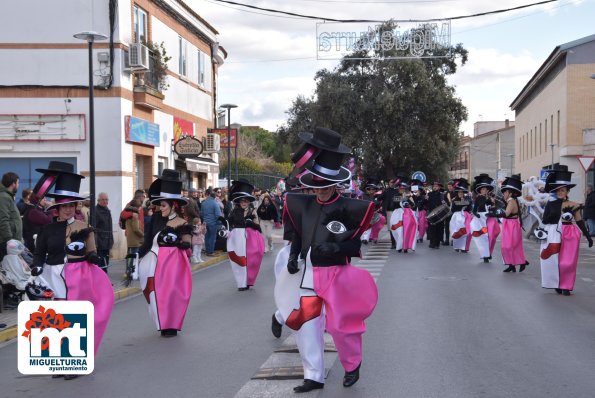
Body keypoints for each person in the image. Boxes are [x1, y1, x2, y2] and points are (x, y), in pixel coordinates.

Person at [278, 127, 377, 392]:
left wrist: (337, 249)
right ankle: (313, 376)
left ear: (335, 184)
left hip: (336, 275)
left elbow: (355, 243)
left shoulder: (349, 208)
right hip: (309, 274)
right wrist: (293, 256)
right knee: (308, 326)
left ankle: (352, 364)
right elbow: (298, 233)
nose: (319, 191)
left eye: (325, 186)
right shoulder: (304, 206)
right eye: (315, 186)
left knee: (340, 326)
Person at [30, 165, 113, 368]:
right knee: (54, 322)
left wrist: (93, 258)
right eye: (65, 205)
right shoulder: (47, 230)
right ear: (57, 208)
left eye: (72, 205)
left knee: (75, 320)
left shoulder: (84, 228)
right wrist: (37, 267)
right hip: (52, 277)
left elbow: (90, 250)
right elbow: (40, 253)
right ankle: (58, 361)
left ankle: (75, 362)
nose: (69, 209)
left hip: (79, 277)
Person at [138, 169, 192, 337]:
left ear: (173, 205)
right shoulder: (155, 219)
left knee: (171, 293)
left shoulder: (182, 222)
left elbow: (188, 241)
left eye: (163, 205)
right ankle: (162, 321)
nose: (160, 208)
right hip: (154, 263)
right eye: (159, 205)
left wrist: (182, 244)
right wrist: (138, 256)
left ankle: (172, 323)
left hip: (173, 264)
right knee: (154, 293)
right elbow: (147, 240)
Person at [538, 166, 593, 295]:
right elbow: (545, 220)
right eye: (558, 190)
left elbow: (579, 221)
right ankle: (556, 283)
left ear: (567, 191)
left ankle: (566, 286)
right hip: (553, 234)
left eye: (563, 190)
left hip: (569, 234)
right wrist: (555, 216)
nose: (560, 192)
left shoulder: (574, 205)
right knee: (552, 261)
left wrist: (588, 236)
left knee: (567, 263)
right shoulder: (550, 204)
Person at [226, 179, 265, 290]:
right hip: (238, 239)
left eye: (246, 201)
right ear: (239, 202)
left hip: (251, 239)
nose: (244, 203)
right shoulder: (234, 211)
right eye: (242, 201)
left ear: (249, 202)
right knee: (239, 261)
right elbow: (229, 224)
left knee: (252, 260)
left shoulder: (252, 211)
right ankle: (241, 282)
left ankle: (249, 280)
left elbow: (258, 226)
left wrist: (251, 224)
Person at [495, 175, 529, 272]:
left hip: (512, 225)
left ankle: (521, 262)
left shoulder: (512, 201)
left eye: (505, 191)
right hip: (508, 224)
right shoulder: (511, 200)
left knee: (509, 246)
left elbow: (506, 213)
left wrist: (494, 214)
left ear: (510, 193)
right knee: (509, 246)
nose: (504, 193)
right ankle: (512, 265)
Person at [470, 174, 500, 263]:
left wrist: (493, 206)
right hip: (480, 221)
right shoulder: (478, 199)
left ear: (488, 190)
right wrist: (477, 215)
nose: (484, 190)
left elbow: (494, 210)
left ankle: (488, 253)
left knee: (491, 236)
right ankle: (485, 255)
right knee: (483, 237)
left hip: (489, 219)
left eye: (485, 189)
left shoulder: (491, 199)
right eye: (482, 189)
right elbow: (474, 210)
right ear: (480, 190)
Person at [390, 179, 418, 253]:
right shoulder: (395, 196)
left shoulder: (407, 196)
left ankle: (405, 246)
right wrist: (402, 199)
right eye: (400, 188)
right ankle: (399, 246)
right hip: (397, 216)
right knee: (399, 231)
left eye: (403, 188)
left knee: (406, 231)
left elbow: (413, 206)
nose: (402, 190)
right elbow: (392, 206)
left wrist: (410, 199)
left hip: (407, 217)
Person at [0, 172, 22, 262]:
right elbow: (3, 220)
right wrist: (9, 240)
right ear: (13, 184)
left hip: (11, 242)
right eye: (18, 183)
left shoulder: (8, 197)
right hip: (7, 243)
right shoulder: (3, 197)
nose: (18, 185)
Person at [123, 199, 144, 286]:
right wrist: (142, 235)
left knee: (130, 257)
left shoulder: (129, 215)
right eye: (139, 208)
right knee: (133, 258)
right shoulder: (134, 216)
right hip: (135, 240)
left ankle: (129, 272)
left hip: (131, 239)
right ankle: (131, 273)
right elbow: (136, 229)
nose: (140, 209)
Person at [449, 179, 473, 253]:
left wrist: (463, 201)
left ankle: (464, 247)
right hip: (456, 217)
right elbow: (453, 209)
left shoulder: (468, 199)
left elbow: (469, 207)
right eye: (459, 192)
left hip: (465, 217)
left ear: (464, 192)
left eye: (461, 192)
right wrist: (461, 203)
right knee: (457, 231)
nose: (460, 193)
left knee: (466, 232)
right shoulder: (454, 200)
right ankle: (457, 246)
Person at [95, 192, 114, 274]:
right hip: (100, 243)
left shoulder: (107, 210)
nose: (105, 201)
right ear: (98, 200)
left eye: (106, 199)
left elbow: (109, 227)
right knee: (100, 264)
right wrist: (97, 242)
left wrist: (111, 240)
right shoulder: (96, 211)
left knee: (106, 263)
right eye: (103, 199)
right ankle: (101, 282)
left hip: (107, 242)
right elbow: (94, 229)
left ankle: (105, 281)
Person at [202, 188, 222, 256]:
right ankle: (210, 252)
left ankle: (207, 251)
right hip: (213, 223)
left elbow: (202, 213)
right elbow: (218, 215)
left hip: (205, 222)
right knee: (212, 238)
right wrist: (219, 222)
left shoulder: (204, 203)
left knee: (207, 237)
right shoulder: (215, 203)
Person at [443, 180, 455, 245]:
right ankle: (447, 240)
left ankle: (453, 240)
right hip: (447, 212)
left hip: (454, 212)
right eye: (448, 186)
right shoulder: (445, 194)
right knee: (447, 226)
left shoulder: (455, 193)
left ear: (453, 186)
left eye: (450, 186)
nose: (449, 187)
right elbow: (444, 202)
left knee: (454, 226)